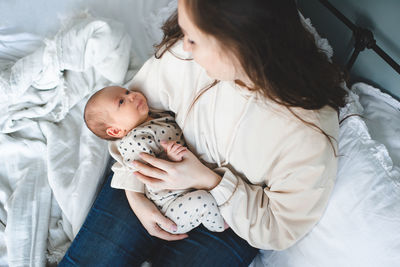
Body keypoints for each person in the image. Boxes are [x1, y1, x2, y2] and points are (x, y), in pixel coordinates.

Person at [59, 0, 347, 266]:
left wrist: (208, 180)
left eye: (193, 39)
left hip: (230, 217)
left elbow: (280, 225)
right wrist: (136, 196)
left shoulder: (307, 136)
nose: (184, 47)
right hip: (151, 177)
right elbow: (131, 124)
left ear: (236, 47)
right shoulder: (186, 57)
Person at [83, 85, 227, 234]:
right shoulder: (133, 142)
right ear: (116, 131)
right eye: (121, 102)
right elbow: (150, 177)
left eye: (127, 91)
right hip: (171, 204)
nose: (132, 95)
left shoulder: (155, 117)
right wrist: (169, 158)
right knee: (203, 201)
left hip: (189, 184)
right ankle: (219, 225)